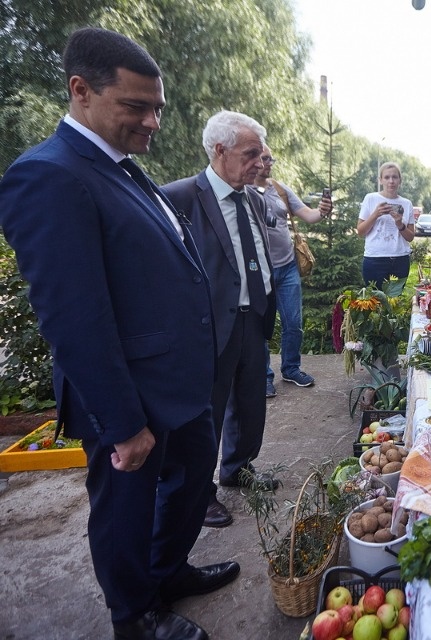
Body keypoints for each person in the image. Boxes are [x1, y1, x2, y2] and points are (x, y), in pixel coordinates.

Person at [0, 27, 236, 640]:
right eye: (137, 106)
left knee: (187, 489)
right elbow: (73, 316)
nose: (153, 120)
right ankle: (135, 614)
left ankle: (167, 571)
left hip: (179, 383)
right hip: (130, 394)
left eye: (156, 106)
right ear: (81, 91)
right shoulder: (49, 176)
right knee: (125, 510)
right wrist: (123, 423)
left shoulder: (121, 167)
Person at [164, 111, 278, 530]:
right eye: (251, 154)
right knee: (205, 415)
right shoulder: (178, 198)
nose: (259, 162)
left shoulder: (254, 197)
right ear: (219, 150)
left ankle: (238, 468)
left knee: (249, 405)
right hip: (208, 328)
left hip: (253, 320)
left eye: (260, 154)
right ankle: (200, 493)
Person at [256, 145, 332, 395]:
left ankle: (290, 368)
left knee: (294, 323)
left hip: (287, 266)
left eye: (271, 159)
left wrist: (322, 211)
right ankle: (264, 375)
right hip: (259, 271)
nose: (269, 163)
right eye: (265, 158)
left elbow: (308, 216)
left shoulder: (279, 188)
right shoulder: (242, 190)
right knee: (261, 328)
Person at [356, 161, 415, 289]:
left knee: (396, 303)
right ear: (380, 180)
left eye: (395, 177)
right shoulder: (370, 198)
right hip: (374, 259)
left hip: (400, 259)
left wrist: (400, 224)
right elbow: (360, 231)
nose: (391, 181)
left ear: (400, 180)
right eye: (387, 177)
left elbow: (410, 237)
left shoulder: (406, 203)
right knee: (374, 303)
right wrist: (375, 214)